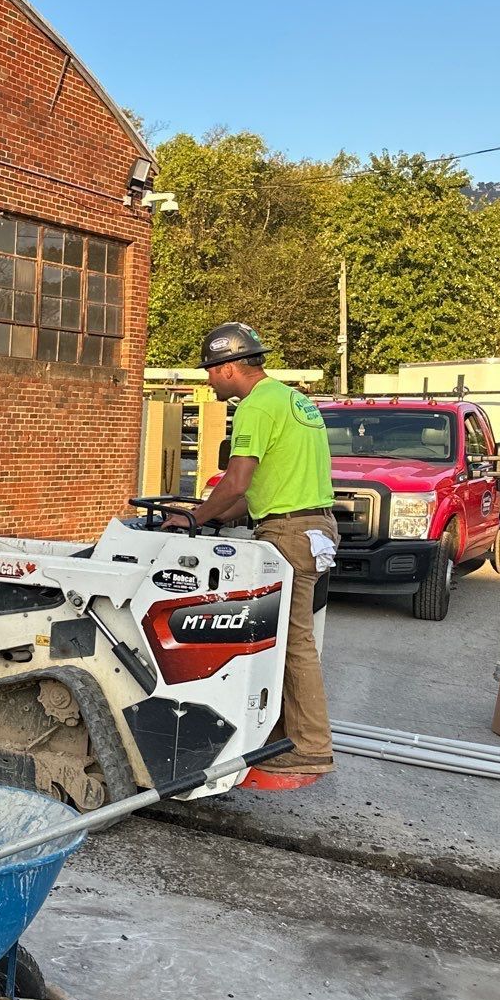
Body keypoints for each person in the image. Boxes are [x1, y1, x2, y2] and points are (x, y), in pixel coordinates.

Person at [168, 323, 338, 775]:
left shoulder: (255, 406)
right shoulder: (292, 399)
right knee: (277, 641)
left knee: (293, 642)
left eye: (210, 371)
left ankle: (310, 746)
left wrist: (194, 517)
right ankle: (279, 734)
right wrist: (221, 515)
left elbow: (237, 481)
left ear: (229, 367)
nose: (209, 380)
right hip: (311, 524)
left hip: (288, 533)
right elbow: (268, 489)